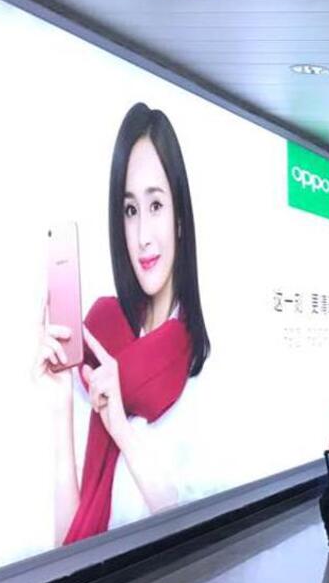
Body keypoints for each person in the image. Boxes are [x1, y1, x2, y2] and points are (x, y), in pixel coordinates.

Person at [39, 103, 213, 546]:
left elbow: (198, 531)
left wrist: (120, 427)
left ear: (180, 218)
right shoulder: (98, 339)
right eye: (130, 210)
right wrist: (61, 404)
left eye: (155, 205)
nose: (142, 237)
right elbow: (67, 544)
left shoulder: (202, 365)